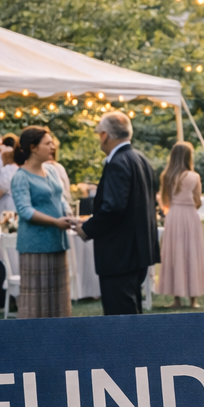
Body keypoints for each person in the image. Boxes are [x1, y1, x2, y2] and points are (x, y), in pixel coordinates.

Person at [80, 111, 159, 316]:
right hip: (138, 249)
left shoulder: (117, 162)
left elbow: (114, 207)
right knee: (131, 310)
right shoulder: (141, 159)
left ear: (105, 135)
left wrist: (87, 228)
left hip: (119, 252)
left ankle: (125, 349)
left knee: (120, 314)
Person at [10, 126, 78, 319]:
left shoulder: (51, 170)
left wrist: (67, 211)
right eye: (47, 143)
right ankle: (33, 342)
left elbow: (60, 197)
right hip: (35, 245)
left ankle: (59, 340)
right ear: (33, 147)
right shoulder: (21, 177)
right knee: (37, 301)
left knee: (58, 299)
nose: (53, 146)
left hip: (57, 242)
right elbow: (25, 210)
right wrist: (55, 222)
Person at [154, 143, 204, 308]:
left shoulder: (167, 176)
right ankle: (193, 299)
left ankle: (176, 299)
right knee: (192, 252)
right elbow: (198, 201)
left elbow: (165, 201)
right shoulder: (194, 177)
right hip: (189, 215)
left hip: (173, 216)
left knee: (174, 254)